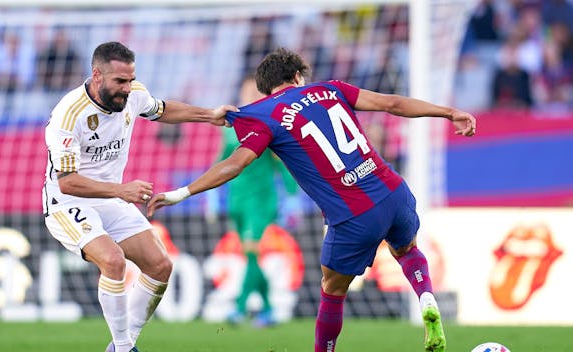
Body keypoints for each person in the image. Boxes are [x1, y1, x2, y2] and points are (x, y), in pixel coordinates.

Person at [147, 47, 477, 352]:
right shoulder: (331, 88)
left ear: (265, 89)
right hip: (393, 191)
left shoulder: (262, 114)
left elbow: (235, 164)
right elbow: (393, 104)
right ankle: (426, 298)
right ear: (297, 77)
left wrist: (181, 193)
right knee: (408, 250)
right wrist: (449, 112)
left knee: (332, 292)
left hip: (353, 215)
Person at [42, 41, 236, 352]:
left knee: (160, 266)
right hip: (68, 204)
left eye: (131, 80)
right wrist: (121, 190)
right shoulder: (68, 115)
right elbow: (68, 183)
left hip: (112, 199)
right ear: (97, 76)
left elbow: (161, 109)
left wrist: (209, 115)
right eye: (120, 81)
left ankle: (123, 344)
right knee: (113, 261)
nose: (127, 89)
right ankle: (122, 347)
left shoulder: (133, 95)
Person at [217, 75, 300, 327]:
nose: (251, 95)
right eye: (246, 90)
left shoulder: (269, 124)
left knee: (253, 250)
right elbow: (221, 162)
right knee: (249, 255)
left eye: (255, 91)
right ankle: (267, 309)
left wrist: (293, 195)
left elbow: (283, 164)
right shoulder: (231, 128)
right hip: (237, 201)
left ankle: (241, 307)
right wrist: (209, 194)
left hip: (261, 201)